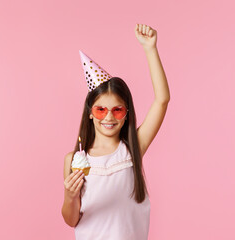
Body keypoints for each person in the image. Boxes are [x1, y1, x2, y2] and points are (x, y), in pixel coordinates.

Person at [61, 23, 170, 239]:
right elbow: (71, 219)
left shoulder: (132, 149)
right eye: (101, 110)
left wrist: (150, 49)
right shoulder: (74, 161)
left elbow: (162, 100)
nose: (109, 117)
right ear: (90, 113)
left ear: (127, 113)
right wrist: (70, 196)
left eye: (117, 110)